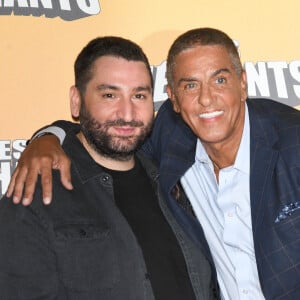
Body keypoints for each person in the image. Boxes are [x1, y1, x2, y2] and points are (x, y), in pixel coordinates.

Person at [6, 27, 300, 299]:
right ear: (172, 98)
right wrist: (46, 138)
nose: (207, 99)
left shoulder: (291, 141)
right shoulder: (170, 140)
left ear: (243, 83)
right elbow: (104, 134)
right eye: (190, 86)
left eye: (220, 80)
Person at [0, 36, 216, 299]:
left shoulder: (172, 182)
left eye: (139, 95)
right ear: (76, 101)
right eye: (109, 95)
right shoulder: (34, 194)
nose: (126, 113)